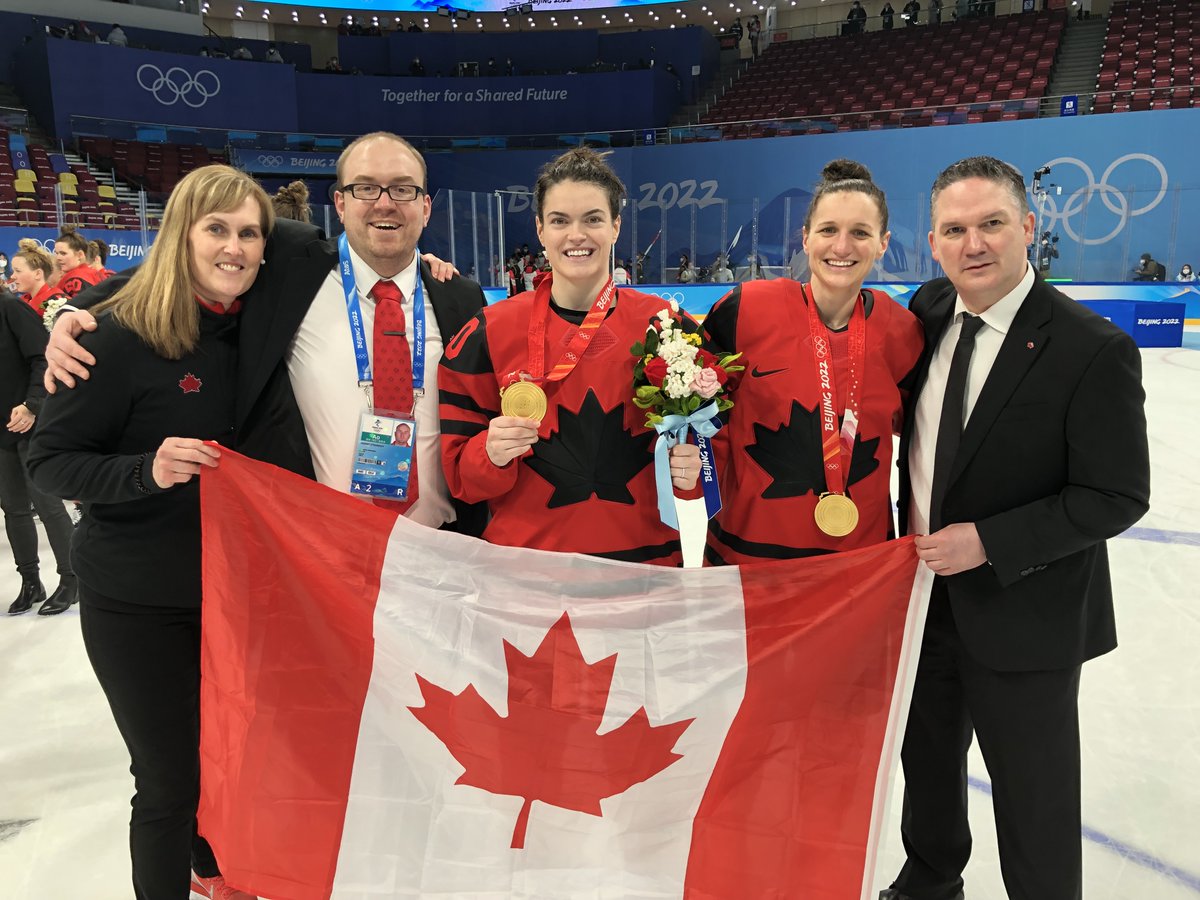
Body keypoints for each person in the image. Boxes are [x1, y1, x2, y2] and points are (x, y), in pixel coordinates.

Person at [880, 156, 1150, 900]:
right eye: (956, 229)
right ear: (932, 243)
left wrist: (990, 543)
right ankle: (931, 879)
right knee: (927, 765)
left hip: (1027, 612)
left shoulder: (1090, 348)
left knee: (1034, 792)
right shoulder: (927, 313)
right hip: (924, 604)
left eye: (992, 224)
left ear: (1028, 228)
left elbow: (1116, 495)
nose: (976, 244)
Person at [47, 132, 485, 537]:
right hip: (319, 546)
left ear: (425, 207)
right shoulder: (293, 265)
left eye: (403, 189)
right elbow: (193, 261)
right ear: (340, 203)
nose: (385, 203)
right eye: (365, 188)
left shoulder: (460, 298)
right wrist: (75, 306)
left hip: (440, 546)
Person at [29, 165, 270, 900]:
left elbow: (321, 245)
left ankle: (213, 868)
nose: (235, 247)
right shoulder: (118, 337)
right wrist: (145, 471)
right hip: (142, 600)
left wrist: (420, 258)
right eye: (216, 229)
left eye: (249, 232)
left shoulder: (259, 326)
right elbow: (47, 461)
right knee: (167, 782)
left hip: (237, 597)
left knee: (227, 758)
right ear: (179, 235)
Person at [439, 147, 701, 565]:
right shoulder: (487, 332)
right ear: (541, 230)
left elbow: (717, 446)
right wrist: (488, 454)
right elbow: (459, 479)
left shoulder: (667, 326)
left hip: (645, 573)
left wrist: (697, 466)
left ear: (616, 226)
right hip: (526, 579)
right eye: (560, 221)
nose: (576, 235)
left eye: (593, 219)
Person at [701, 160, 922, 565]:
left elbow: (925, 438)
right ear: (805, 238)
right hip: (747, 560)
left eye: (860, 233)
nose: (842, 247)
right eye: (828, 230)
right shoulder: (746, 309)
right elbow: (698, 415)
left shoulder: (902, 330)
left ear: (883, 242)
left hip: (859, 565)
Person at [0, 286, 75, 616]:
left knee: (47, 503)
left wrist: (32, 405)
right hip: (2, 432)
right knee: (14, 509)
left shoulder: (11, 309)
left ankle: (72, 579)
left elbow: (42, 358)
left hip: (29, 424)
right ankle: (30, 581)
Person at [11, 239, 70, 319]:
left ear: (38, 274)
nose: (12, 276)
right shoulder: (23, 300)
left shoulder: (54, 301)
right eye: (13, 271)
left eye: (18, 271)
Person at [54, 227, 104, 298]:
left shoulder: (75, 279)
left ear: (80, 255)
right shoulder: (97, 274)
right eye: (56, 253)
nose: (58, 258)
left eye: (63, 253)